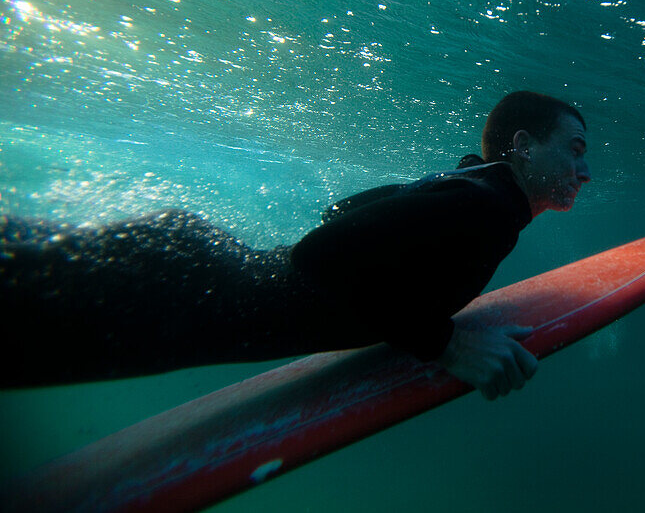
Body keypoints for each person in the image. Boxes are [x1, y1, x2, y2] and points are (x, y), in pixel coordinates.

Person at [0, 91, 591, 399]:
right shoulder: (488, 205)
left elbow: (344, 214)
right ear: (524, 145)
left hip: (187, 271)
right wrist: (446, 345)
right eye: (574, 149)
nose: (583, 171)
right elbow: (322, 250)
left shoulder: (467, 186)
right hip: (171, 298)